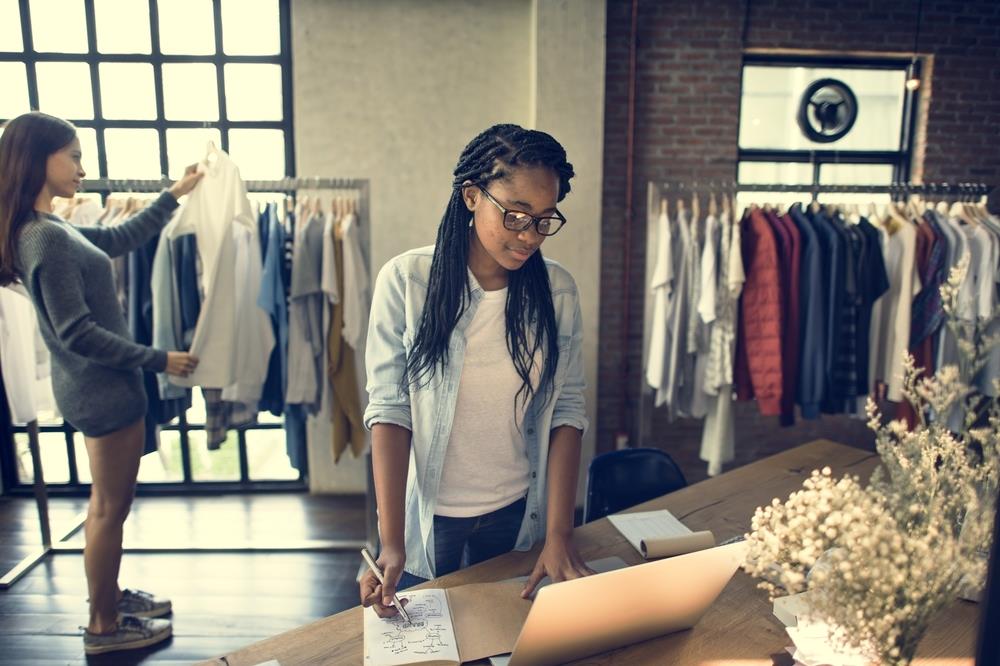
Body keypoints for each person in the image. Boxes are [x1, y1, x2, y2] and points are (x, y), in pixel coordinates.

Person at [360, 124, 593, 618]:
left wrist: (559, 532)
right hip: (429, 518)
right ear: (471, 196)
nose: (529, 235)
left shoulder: (559, 292)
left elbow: (567, 412)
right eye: (515, 215)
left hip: (516, 511)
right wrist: (392, 543)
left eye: (545, 219)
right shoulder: (406, 281)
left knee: (504, 637)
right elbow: (390, 410)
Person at [0, 111, 202, 655]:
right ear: (39, 159)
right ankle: (104, 626)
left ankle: (109, 598)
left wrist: (175, 193)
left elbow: (116, 238)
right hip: (102, 391)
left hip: (91, 388)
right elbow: (78, 333)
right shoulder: (44, 238)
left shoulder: (50, 228)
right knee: (110, 510)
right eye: (74, 156)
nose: (83, 169)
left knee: (103, 505)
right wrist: (162, 359)